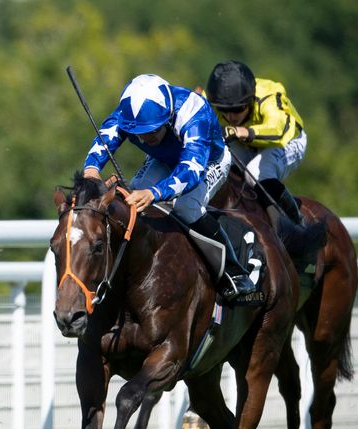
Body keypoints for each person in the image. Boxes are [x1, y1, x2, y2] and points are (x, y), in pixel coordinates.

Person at [82, 74, 256, 301]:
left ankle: (233, 271)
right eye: (139, 133)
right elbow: (106, 138)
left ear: (167, 118)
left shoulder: (194, 113)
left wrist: (155, 192)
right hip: (164, 160)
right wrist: (91, 170)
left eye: (153, 130)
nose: (146, 138)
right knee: (131, 201)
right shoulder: (130, 113)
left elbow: (191, 170)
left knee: (186, 206)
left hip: (207, 162)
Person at [205, 60, 325, 258]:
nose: (229, 116)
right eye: (223, 110)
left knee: (255, 174)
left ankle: (297, 229)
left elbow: (279, 129)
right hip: (245, 142)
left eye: (237, 109)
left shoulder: (268, 95)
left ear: (251, 100)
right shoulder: (209, 101)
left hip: (285, 141)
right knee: (222, 167)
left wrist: (242, 131)